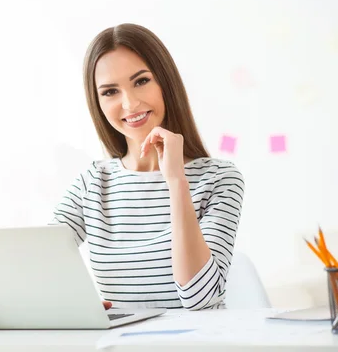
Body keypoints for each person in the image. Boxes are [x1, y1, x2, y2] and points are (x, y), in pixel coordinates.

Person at [52, 23, 244, 311]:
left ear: (165, 82)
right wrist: (74, 303)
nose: (129, 103)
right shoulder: (91, 184)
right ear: (98, 104)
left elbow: (199, 299)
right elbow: (36, 264)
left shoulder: (219, 179)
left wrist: (177, 180)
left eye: (141, 81)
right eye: (110, 92)